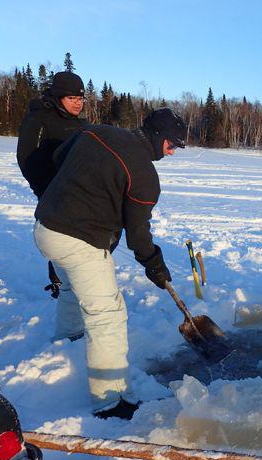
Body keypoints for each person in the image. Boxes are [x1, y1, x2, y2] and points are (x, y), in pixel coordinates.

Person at [33, 108, 186, 419]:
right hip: (78, 239)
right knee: (108, 316)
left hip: (45, 227)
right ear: (158, 137)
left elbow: (59, 156)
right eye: (172, 144)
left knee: (72, 288)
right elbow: (138, 233)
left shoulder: (98, 131)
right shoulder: (144, 175)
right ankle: (110, 401)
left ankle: (69, 337)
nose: (172, 152)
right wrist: (154, 264)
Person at [17, 71, 87, 298]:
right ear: (58, 97)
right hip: (52, 192)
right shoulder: (38, 118)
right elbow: (26, 159)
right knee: (57, 236)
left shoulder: (77, 122)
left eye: (81, 98)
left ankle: (76, 278)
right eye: (72, 99)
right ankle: (58, 282)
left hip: (76, 191)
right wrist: (44, 191)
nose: (78, 103)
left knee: (76, 239)